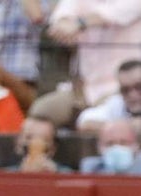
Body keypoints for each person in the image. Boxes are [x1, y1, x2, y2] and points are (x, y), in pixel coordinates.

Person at [29, 1, 141, 129]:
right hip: (84, 89)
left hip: (122, 88)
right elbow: (60, 19)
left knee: (92, 121)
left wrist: (79, 24)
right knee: (40, 113)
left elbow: (112, 14)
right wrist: (63, 25)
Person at [75, 59, 141, 134]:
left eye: (139, 87)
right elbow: (84, 122)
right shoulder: (118, 103)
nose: (132, 95)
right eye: (125, 90)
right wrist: (127, 127)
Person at [6, 115, 70, 172]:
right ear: (18, 143)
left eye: (45, 139)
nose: (36, 143)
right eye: (29, 137)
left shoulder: (67, 175)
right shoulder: (5, 175)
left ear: (53, 148)